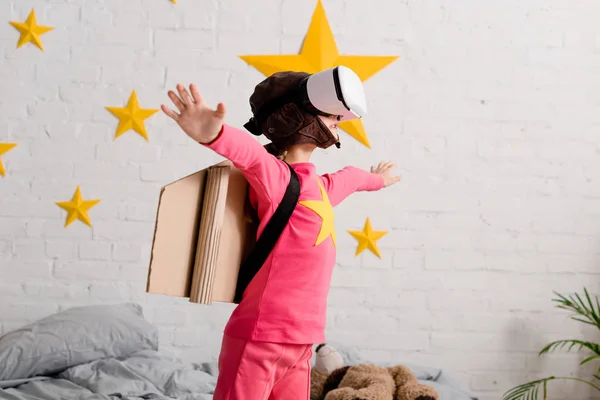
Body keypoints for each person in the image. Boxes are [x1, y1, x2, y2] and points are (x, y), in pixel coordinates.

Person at [161, 70, 401, 400]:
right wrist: (213, 133)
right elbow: (250, 154)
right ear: (296, 117)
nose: (338, 121)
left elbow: (353, 177)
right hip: (260, 336)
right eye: (332, 115)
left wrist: (380, 180)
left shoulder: (321, 187)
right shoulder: (278, 179)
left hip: (303, 341)